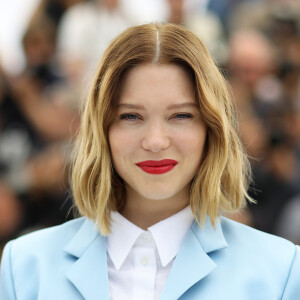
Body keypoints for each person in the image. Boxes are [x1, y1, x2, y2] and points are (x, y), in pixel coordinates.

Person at [1, 23, 300, 300]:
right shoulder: (24, 267)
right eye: (131, 116)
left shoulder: (280, 272)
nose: (155, 141)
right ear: (102, 128)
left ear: (211, 129)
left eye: (181, 116)